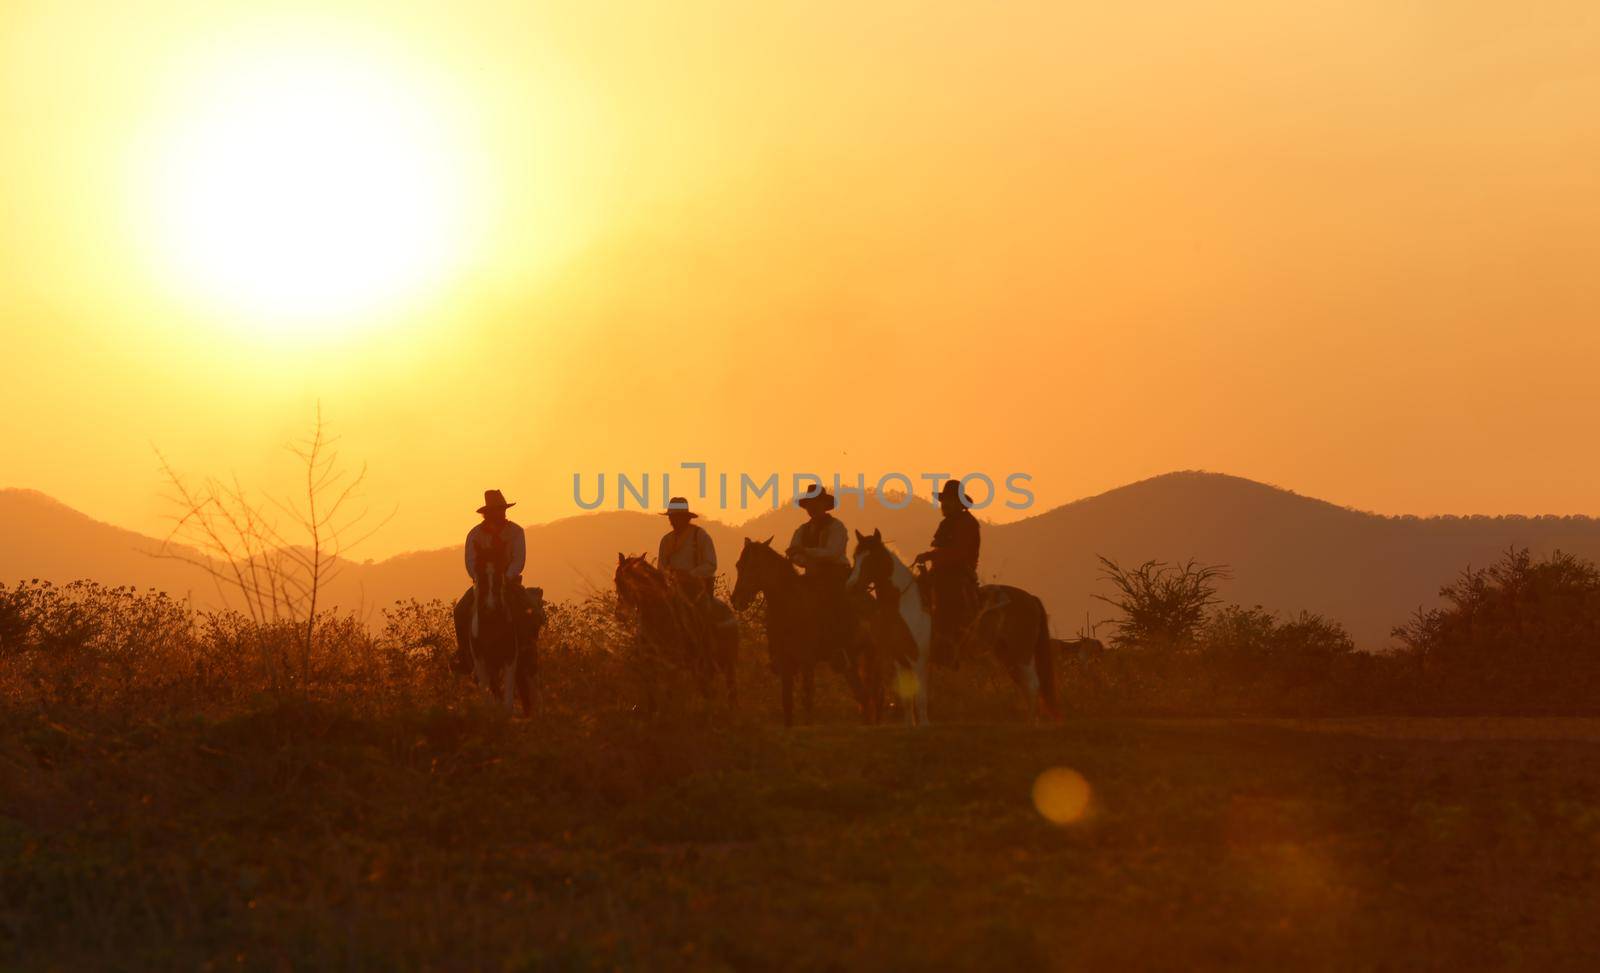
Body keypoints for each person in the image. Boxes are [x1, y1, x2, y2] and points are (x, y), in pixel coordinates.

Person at [452, 489, 528, 673]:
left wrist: (505, 578)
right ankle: (465, 654)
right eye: (497, 510)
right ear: (488, 513)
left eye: (502, 509)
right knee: (460, 611)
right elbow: (470, 562)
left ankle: (527, 651)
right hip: (483, 584)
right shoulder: (475, 535)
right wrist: (483, 580)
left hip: (509, 583)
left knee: (530, 610)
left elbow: (519, 560)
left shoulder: (516, 532)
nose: (501, 513)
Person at [914, 479, 981, 666]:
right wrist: (929, 556)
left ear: (959, 503)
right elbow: (941, 551)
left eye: (949, 500)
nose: (945, 505)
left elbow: (958, 554)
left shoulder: (968, 523)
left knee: (946, 605)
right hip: (940, 573)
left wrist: (930, 556)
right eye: (944, 501)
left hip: (958, 574)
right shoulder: (947, 523)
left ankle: (948, 646)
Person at [785, 487, 852, 657]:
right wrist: (803, 559)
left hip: (836, 574)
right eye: (809, 504)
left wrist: (806, 552)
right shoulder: (802, 529)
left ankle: (840, 645)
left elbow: (833, 553)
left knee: (834, 603)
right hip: (812, 575)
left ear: (824, 505)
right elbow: (793, 554)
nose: (812, 507)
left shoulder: (837, 526)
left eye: (816, 503)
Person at [657, 496, 736, 628]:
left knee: (702, 621)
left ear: (685, 517)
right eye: (671, 517)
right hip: (673, 590)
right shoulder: (666, 541)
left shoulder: (700, 536)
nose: (672, 520)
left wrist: (690, 574)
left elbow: (711, 564)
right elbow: (661, 567)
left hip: (698, 590)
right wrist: (669, 576)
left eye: (676, 517)